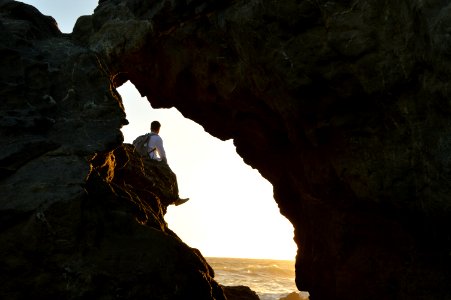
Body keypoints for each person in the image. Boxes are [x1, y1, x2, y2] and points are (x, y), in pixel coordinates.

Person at [148, 121, 189, 206]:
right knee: (172, 175)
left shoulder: (145, 137)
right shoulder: (157, 138)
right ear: (159, 129)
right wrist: (165, 164)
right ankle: (176, 199)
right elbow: (162, 154)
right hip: (152, 160)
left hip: (141, 158)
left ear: (150, 127)